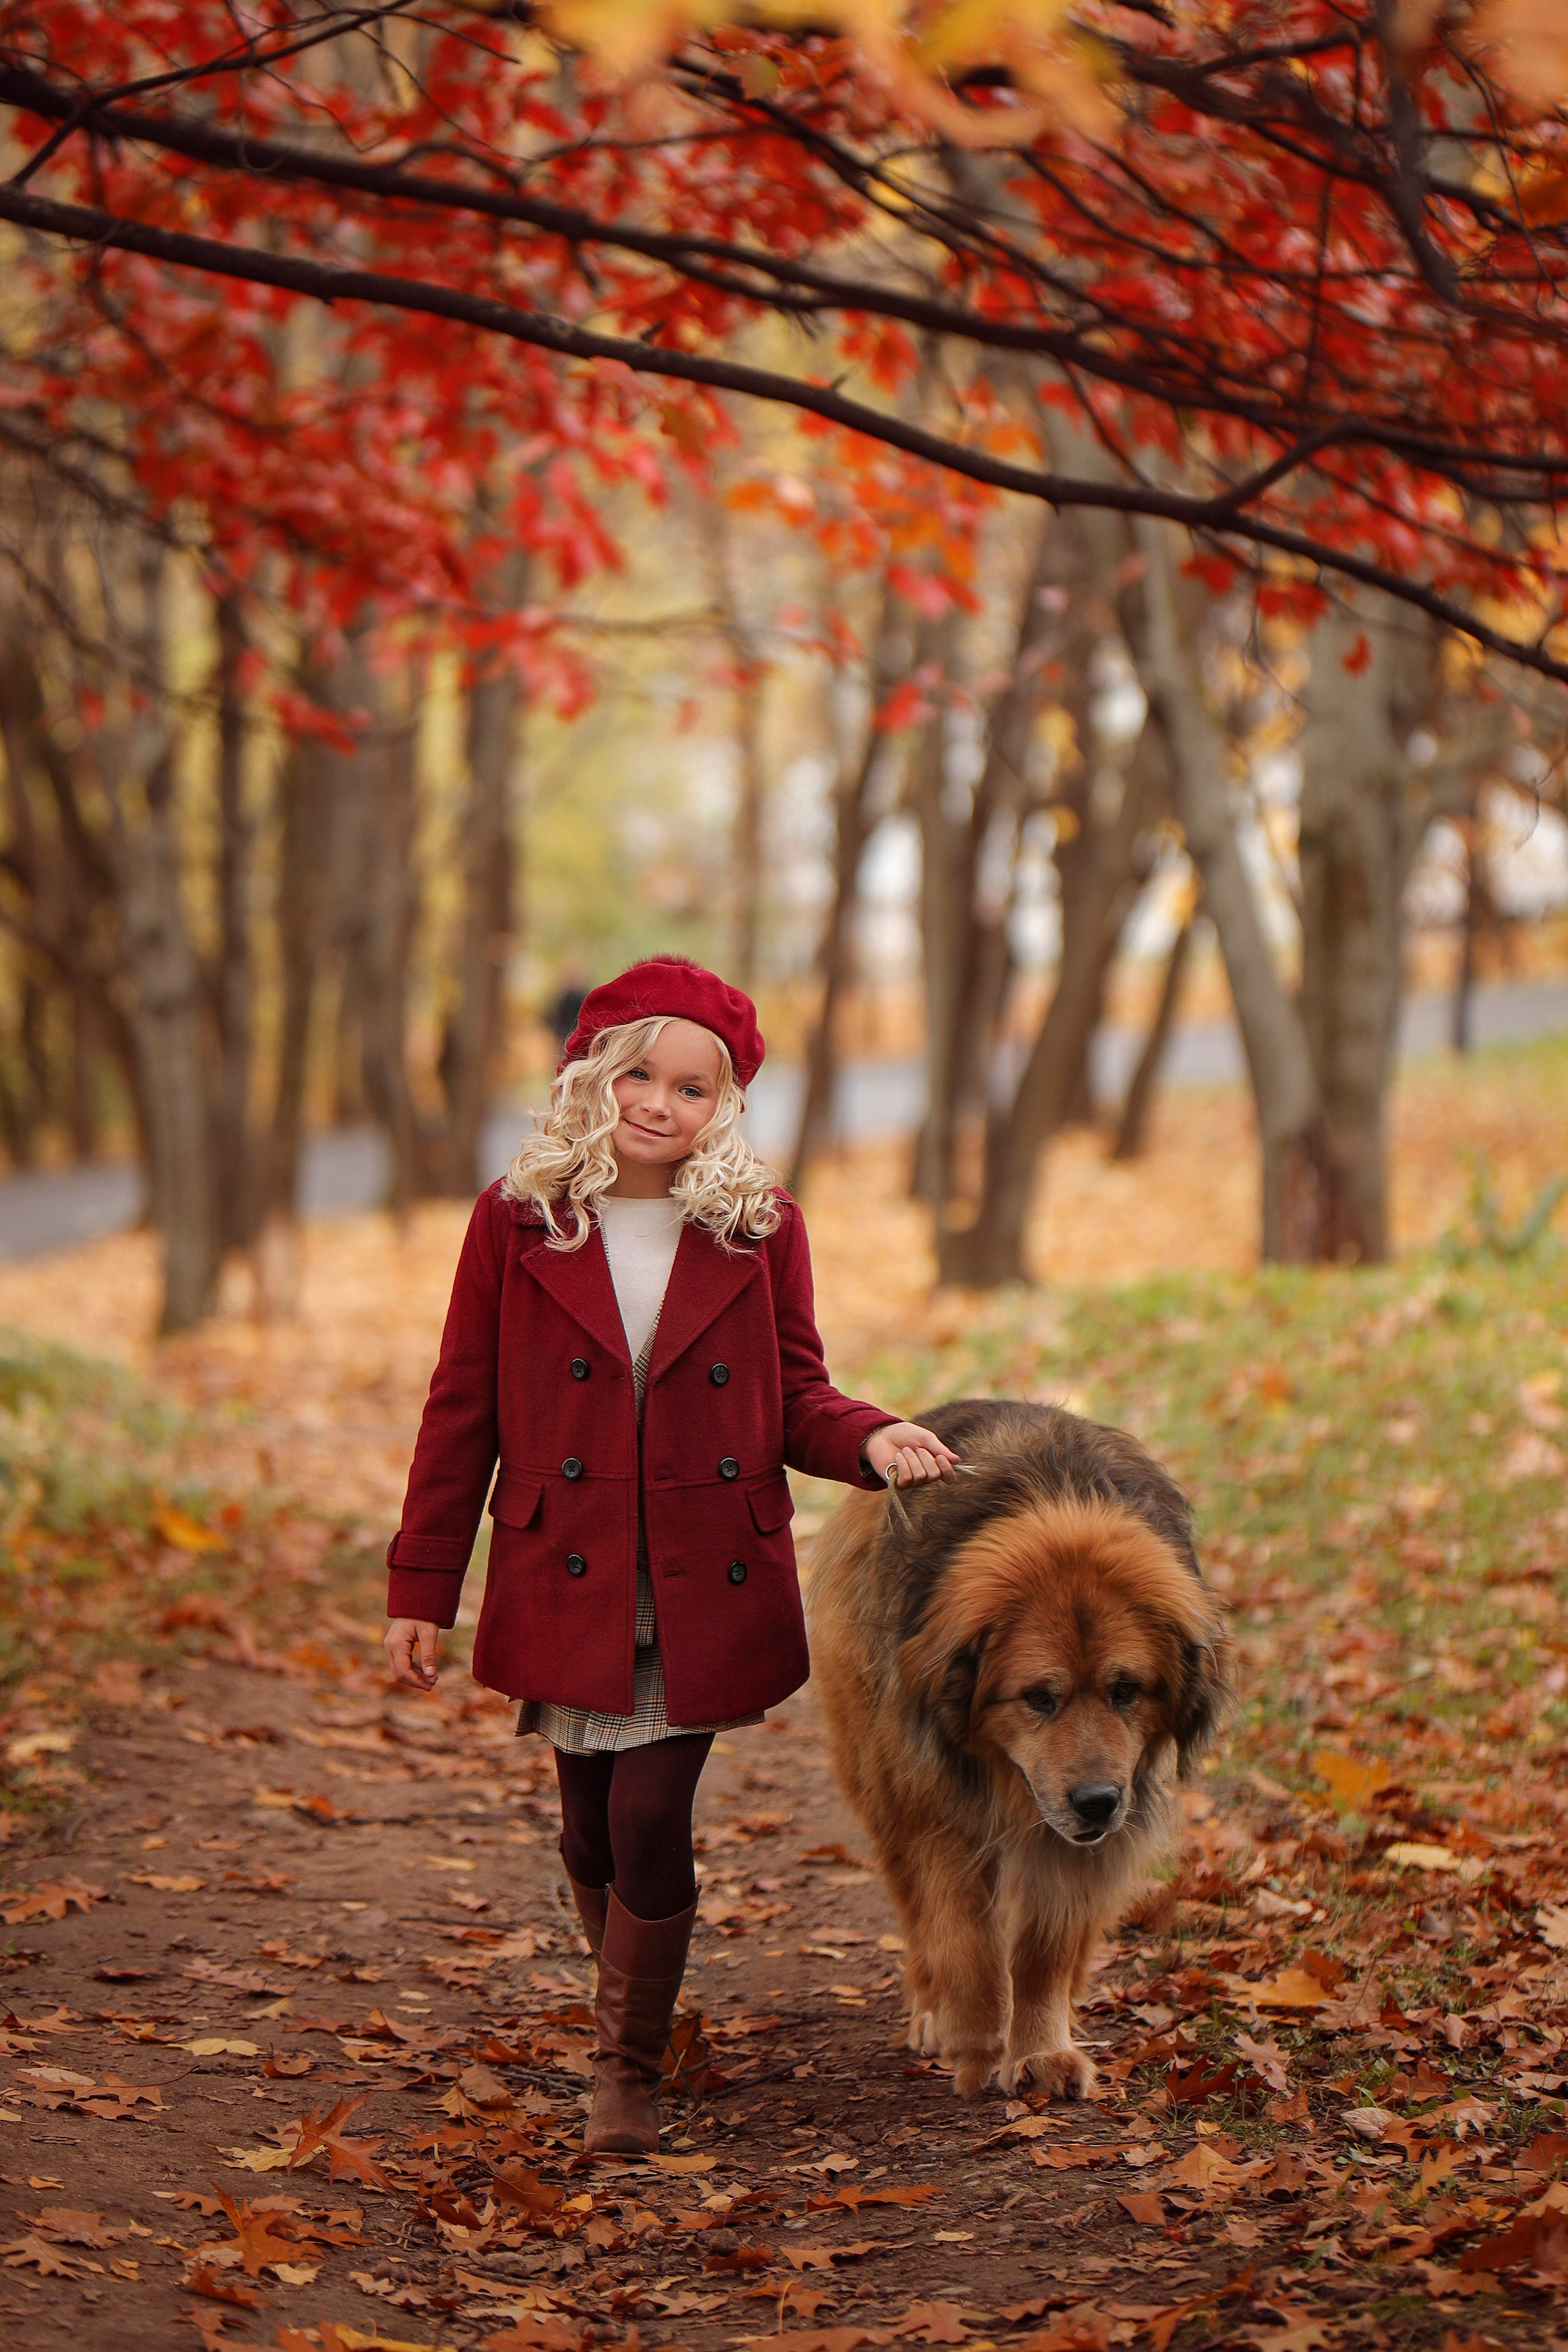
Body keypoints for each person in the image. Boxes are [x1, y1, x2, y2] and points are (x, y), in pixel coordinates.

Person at [384, 954, 958, 2156]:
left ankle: (623, 2072)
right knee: (588, 1831)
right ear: (589, 1072)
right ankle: (631, 2007)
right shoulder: (515, 1219)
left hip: (703, 1576)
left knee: (650, 1815)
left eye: (690, 1088)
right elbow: (460, 1412)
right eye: (636, 1072)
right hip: (565, 1569)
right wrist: (420, 1589)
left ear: (724, 1107)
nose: (656, 1102)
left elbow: (797, 1394)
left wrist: (876, 1437)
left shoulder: (757, 1226)